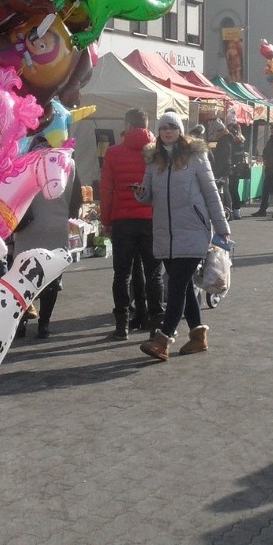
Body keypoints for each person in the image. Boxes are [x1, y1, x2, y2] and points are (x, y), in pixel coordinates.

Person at [133, 112, 230, 361]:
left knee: (175, 286)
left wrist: (221, 227)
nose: (168, 131)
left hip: (193, 231)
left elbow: (210, 192)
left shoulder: (196, 156)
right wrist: (140, 193)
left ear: (180, 130)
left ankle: (163, 339)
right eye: (164, 128)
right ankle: (198, 336)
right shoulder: (153, 160)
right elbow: (148, 195)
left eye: (172, 127)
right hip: (165, 233)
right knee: (184, 287)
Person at [99, 109, 164, 339]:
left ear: (127, 125)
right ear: (147, 125)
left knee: (122, 275)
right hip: (150, 219)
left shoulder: (114, 153)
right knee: (154, 273)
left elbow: (106, 190)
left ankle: (122, 326)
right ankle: (156, 324)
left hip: (122, 220)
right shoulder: (158, 152)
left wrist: (106, 221)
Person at [12, 162, 79, 340]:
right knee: (52, 278)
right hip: (56, 226)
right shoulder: (67, 162)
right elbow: (75, 200)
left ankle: (21, 323)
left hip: (27, 226)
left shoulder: (24, 161)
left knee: (23, 277)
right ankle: (44, 324)